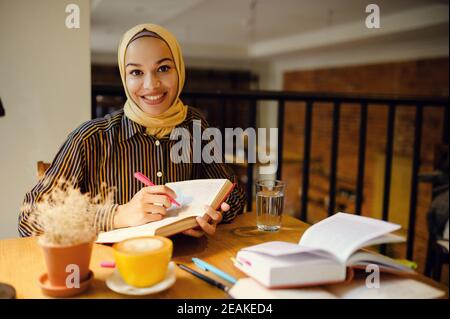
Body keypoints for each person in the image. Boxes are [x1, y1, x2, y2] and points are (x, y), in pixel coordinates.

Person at [18, 23, 246, 238]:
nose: (151, 85)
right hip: (112, 268)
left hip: (184, 261)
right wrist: (117, 215)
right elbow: (30, 218)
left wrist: (215, 213)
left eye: (163, 68)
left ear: (179, 70)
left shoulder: (194, 125)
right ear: (124, 78)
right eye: (136, 72)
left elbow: (233, 193)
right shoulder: (90, 138)